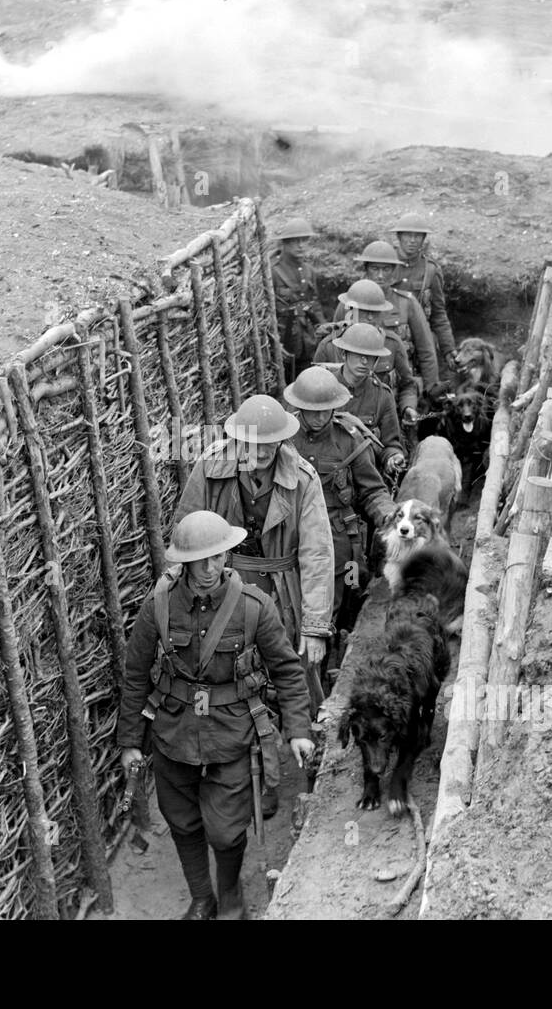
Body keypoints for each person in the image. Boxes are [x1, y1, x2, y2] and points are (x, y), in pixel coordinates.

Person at [117, 511, 315, 920]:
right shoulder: (159, 607)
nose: (211, 567)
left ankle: (231, 897)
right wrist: (129, 742)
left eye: (219, 556)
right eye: (202, 559)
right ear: (183, 562)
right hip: (174, 730)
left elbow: (287, 669)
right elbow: (135, 674)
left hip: (233, 731)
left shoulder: (253, 606)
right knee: (183, 822)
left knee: (225, 829)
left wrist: (298, 729)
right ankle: (202, 898)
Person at [173, 395, 335, 724]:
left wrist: (315, 626)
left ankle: (303, 740)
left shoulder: (303, 479)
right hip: (221, 585)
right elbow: (186, 533)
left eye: (271, 444)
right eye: (253, 443)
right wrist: (176, 601)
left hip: (281, 589)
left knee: (290, 667)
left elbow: (317, 553)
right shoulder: (211, 466)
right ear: (239, 438)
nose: (262, 452)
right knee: (219, 667)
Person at [284, 367, 393, 683]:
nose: (319, 419)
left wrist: (388, 515)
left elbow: (373, 490)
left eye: (326, 411)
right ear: (299, 408)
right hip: (289, 544)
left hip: (338, 546)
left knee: (334, 609)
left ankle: (319, 680)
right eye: (312, 412)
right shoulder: (284, 439)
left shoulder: (349, 441)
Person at [326, 244, 441, 394]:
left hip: (397, 385)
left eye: (386, 269)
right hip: (352, 386)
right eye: (375, 269)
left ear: (394, 271)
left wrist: (431, 390)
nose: (380, 275)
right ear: (366, 269)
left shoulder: (406, 303)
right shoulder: (349, 303)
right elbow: (333, 345)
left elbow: (426, 349)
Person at [316, 322, 409, 482]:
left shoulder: (382, 395)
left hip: (366, 480)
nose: (365, 361)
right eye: (358, 355)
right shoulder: (320, 387)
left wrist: (393, 457)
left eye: (371, 357)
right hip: (325, 479)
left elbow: (390, 443)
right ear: (344, 354)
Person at [391, 213, 458, 379]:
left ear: (423, 239)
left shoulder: (430, 271)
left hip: (419, 340)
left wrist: (448, 349)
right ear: (399, 236)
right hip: (388, 336)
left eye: (417, 236)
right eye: (408, 235)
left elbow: (438, 315)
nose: (412, 240)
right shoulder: (384, 264)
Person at [270, 217, 326, 382]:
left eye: (304, 241)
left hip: (307, 342)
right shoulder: (273, 273)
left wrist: (323, 333)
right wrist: (275, 344)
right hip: (284, 342)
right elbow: (265, 314)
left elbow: (315, 305)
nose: (301, 245)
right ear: (285, 244)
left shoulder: (309, 272)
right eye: (295, 241)